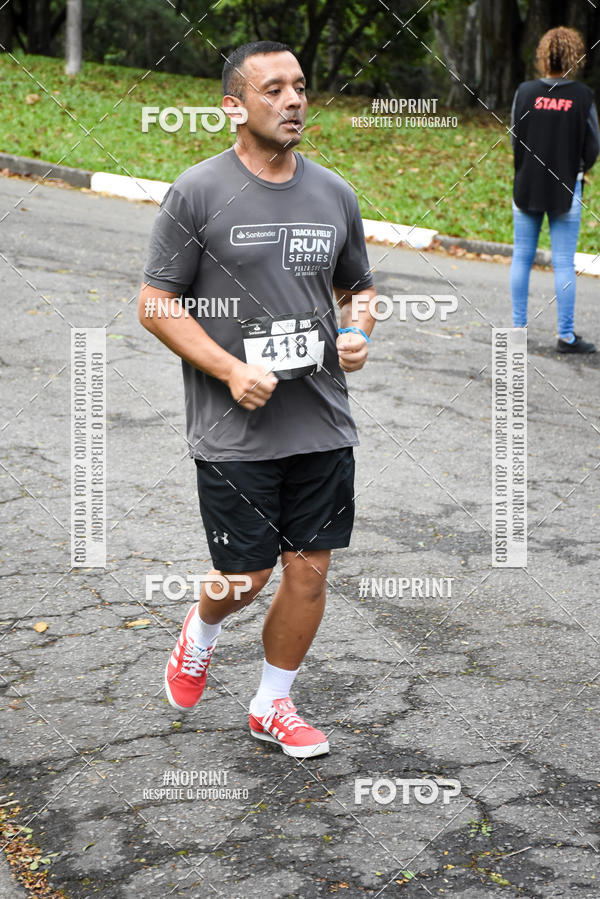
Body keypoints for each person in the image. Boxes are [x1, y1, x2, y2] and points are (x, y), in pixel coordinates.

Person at [138, 41, 377, 758]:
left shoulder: (334, 192)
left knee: (310, 568)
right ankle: (202, 627)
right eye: (274, 89)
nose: (294, 100)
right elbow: (155, 302)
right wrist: (227, 368)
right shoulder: (198, 191)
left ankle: (273, 703)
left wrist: (357, 330)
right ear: (234, 106)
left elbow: (357, 288)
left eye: (300, 86)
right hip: (234, 426)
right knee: (245, 575)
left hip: (323, 421)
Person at [510, 26, 600, 353]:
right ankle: (566, 336)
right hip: (567, 189)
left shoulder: (525, 91)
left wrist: (525, 170)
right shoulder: (583, 96)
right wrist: (578, 169)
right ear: (574, 56)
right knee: (563, 261)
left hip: (526, 186)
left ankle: (517, 330)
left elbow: (514, 139)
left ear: (543, 55)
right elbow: (594, 145)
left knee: (522, 256)